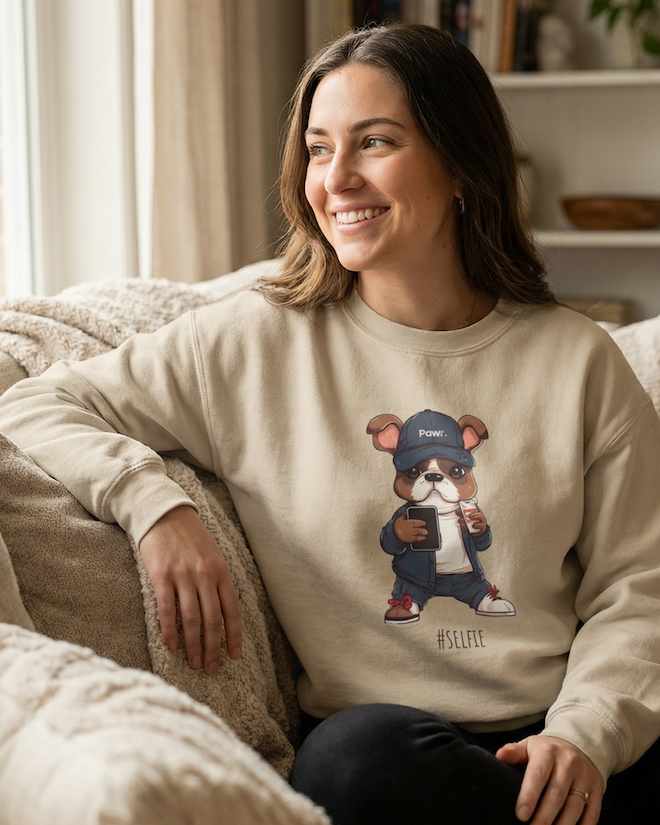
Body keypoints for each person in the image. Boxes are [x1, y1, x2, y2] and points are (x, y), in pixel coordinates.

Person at [0, 22, 659, 825]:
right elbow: (34, 399)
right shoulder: (250, 342)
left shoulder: (579, 361)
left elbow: (639, 588)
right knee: (351, 765)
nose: (337, 178)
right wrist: (151, 502)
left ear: (460, 162)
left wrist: (586, 733)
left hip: (571, 746)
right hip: (393, 754)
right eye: (318, 150)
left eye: (374, 142)